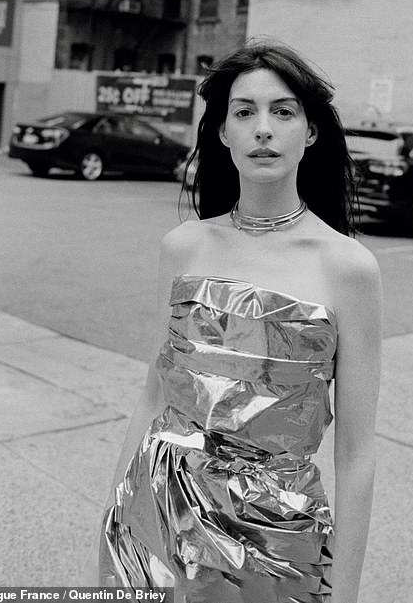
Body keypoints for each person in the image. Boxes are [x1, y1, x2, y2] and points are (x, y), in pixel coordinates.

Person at [93, 40, 383, 603]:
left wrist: (344, 590)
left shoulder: (349, 268)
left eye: (283, 111)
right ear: (223, 132)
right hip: (155, 524)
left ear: (311, 131)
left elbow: (356, 453)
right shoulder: (183, 247)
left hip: (276, 543)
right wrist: (113, 521)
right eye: (244, 112)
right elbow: (154, 399)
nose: (263, 129)